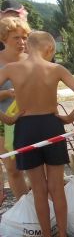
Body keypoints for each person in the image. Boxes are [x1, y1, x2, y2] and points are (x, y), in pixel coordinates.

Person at [0, 31, 74, 237]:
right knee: (57, 187)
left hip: (25, 128)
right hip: (52, 126)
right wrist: (69, 118)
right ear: (49, 49)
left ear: (28, 46)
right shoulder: (56, 69)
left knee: (38, 189)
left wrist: (7, 119)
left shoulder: (11, 69)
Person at [0, 17, 31, 203]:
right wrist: (6, 93)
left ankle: (44, 208)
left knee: (38, 167)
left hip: (31, 118)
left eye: (24, 37)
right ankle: (24, 208)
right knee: (13, 169)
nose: (22, 42)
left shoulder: (31, 59)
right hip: (3, 122)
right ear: (4, 38)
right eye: (16, 38)